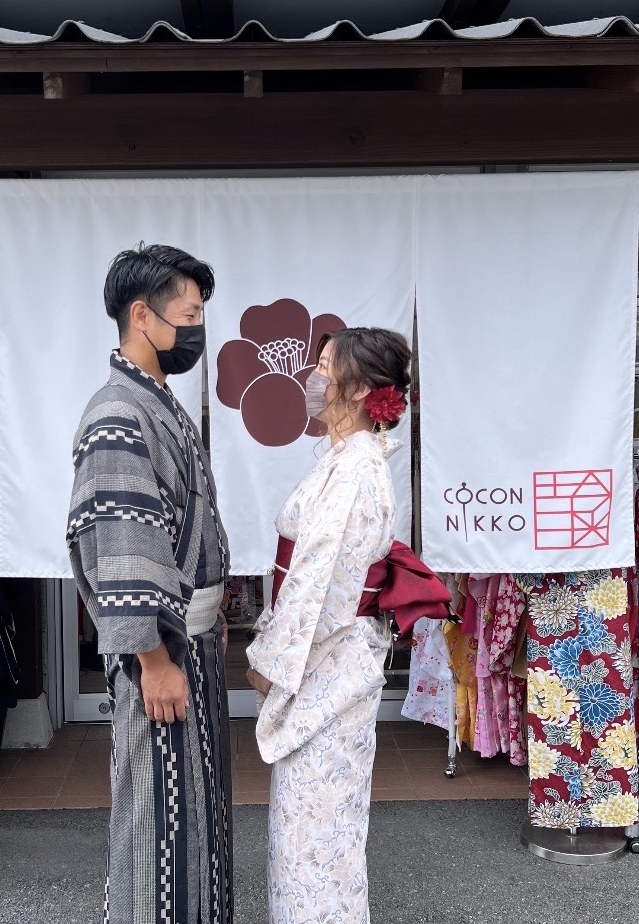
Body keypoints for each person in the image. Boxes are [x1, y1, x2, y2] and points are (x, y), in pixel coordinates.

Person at [67, 244, 232, 924]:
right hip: (159, 650)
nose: (197, 329)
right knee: (159, 819)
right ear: (142, 315)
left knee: (198, 811)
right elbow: (124, 547)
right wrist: (152, 657)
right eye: (189, 314)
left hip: (187, 639)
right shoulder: (118, 412)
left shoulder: (157, 401)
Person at [245, 326, 412, 924]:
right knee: (318, 833)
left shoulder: (356, 472)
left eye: (323, 368)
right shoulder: (348, 462)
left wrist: (269, 663)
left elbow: (319, 587)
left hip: (328, 666)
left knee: (316, 840)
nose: (313, 380)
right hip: (335, 661)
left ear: (360, 387)